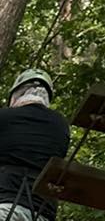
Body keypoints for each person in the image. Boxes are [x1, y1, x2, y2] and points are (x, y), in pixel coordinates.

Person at [0, 69, 69, 221]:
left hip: (7, 207)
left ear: (17, 94)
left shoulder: (4, 117)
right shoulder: (61, 125)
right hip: (43, 213)